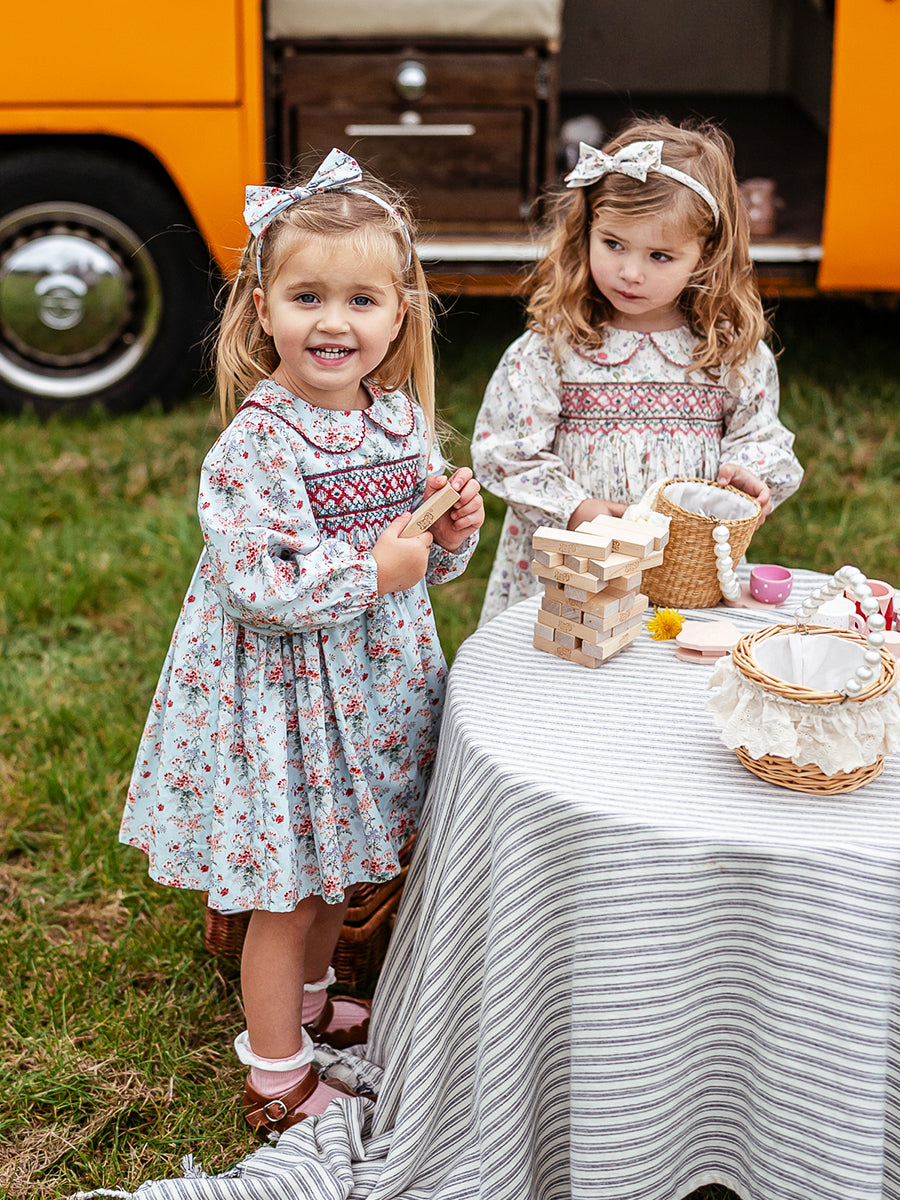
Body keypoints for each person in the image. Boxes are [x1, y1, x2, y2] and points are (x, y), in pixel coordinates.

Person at [120, 149, 484, 1134]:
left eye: (362, 300)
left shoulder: (396, 420)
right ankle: (277, 1072)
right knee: (288, 891)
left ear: (399, 314)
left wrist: (448, 533)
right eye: (307, 297)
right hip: (283, 707)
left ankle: (315, 1005)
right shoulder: (257, 444)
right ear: (261, 310)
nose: (334, 322)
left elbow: (417, 561)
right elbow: (262, 587)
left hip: (368, 692)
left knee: (341, 870)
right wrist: (378, 570)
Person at [472, 116, 802, 624]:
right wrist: (574, 509)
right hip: (575, 572)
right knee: (571, 658)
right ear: (587, 229)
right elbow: (506, 451)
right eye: (613, 244)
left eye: (660, 255)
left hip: (685, 572)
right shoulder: (554, 347)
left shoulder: (728, 353)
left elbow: (760, 435)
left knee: (669, 663)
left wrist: (749, 475)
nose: (630, 272)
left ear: (706, 254)